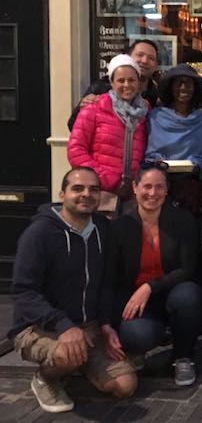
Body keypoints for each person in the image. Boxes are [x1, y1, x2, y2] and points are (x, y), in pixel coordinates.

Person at [9, 167, 137, 413]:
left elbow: (106, 283)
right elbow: (24, 292)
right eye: (77, 188)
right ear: (62, 194)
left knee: (125, 386)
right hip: (39, 326)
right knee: (66, 353)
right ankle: (45, 377)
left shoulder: (103, 229)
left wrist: (106, 324)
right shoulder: (39, 233)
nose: (86, 194)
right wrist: (64, 325)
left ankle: (79, 364)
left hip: (88, 325)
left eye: (93, 189)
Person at [107, 165, 202, 387]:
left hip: (172, 292)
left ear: (167, 189)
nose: (153, 193)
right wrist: (107, 322)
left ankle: (183, 356)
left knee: (189, 296)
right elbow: (111, 278)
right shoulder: (120, 227)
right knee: (136, 335)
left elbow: (187, 269)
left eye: (159, 187)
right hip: (138, 301)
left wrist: (150, 286)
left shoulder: (184, 221)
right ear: (135, 188)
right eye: (147, 186)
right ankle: (141, 346)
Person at [68, 54, 150, 214]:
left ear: (138, 82)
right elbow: (76, 151)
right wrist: (106, 180)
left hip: (133, 195)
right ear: (112, 83)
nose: (126, 85)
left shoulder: (145, 112)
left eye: (132, 80)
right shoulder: (93, 109)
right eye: (121, 80)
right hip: (101, 193)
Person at [145, 63, 202, 215]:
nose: (183, 87)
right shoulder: (155, 117)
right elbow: (146, 152)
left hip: (195, 192)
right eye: (178, 83)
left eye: (188, 83)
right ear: (170, 87)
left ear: (196, 88)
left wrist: (198, 163)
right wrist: (157, 162)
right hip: (159, 189)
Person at [68, 40, 159, 130]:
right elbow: (73, 126)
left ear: (156, 66)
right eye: (140, 55)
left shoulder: (157, 97)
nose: (144, 61)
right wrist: (81, 110)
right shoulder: (102, 88)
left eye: (151, 58)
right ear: (128, 57)